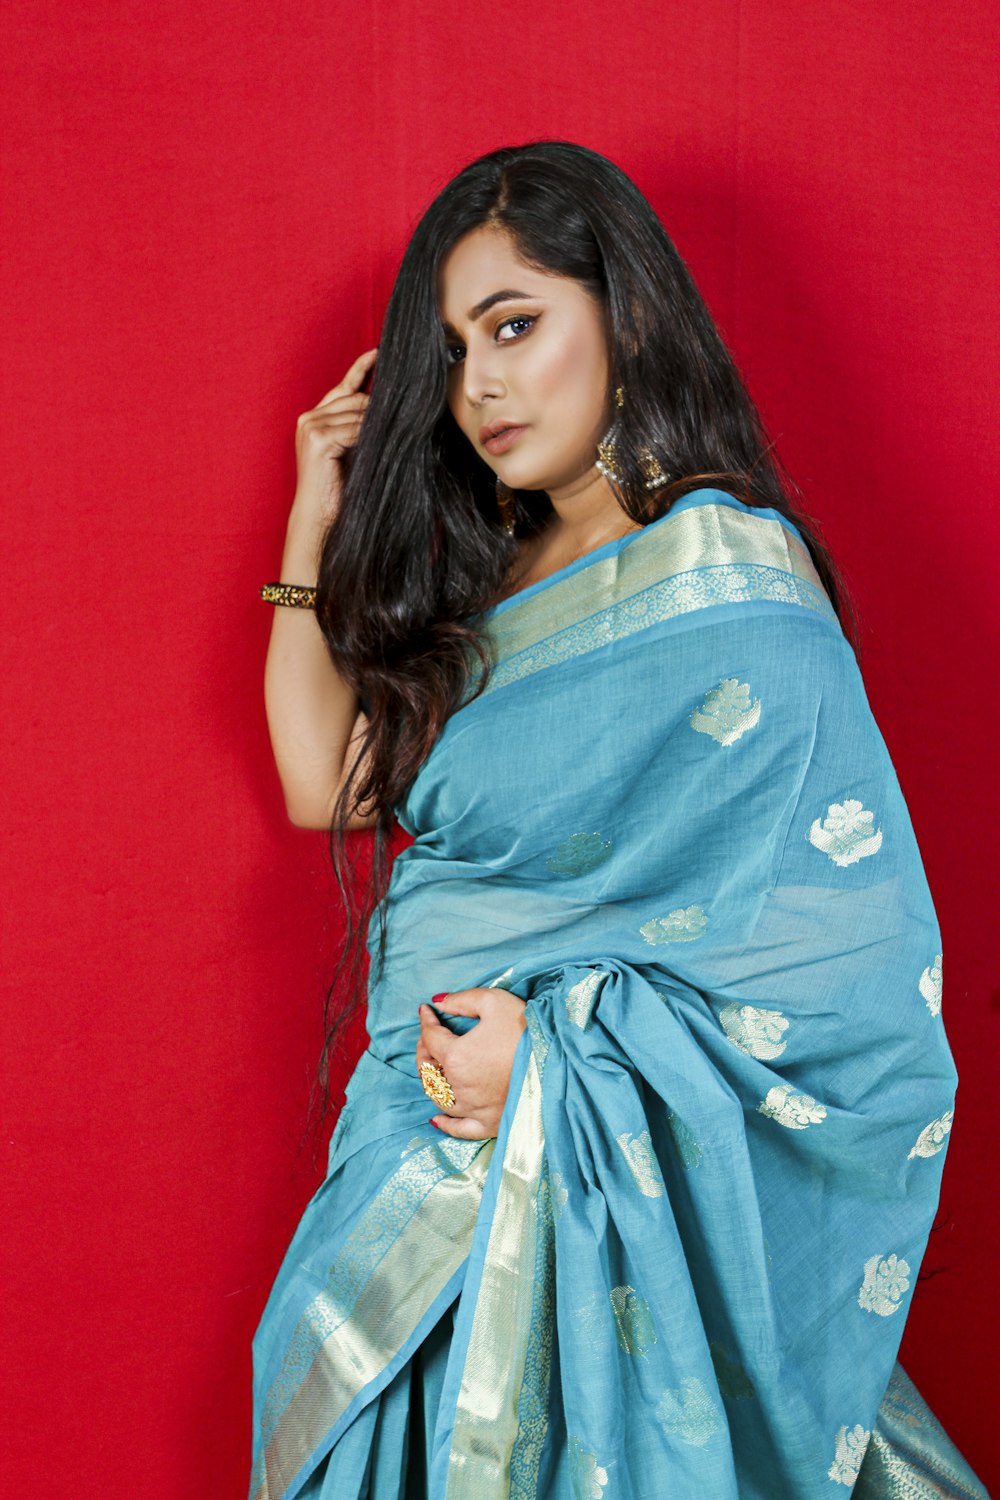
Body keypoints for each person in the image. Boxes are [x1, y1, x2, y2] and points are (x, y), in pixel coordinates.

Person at [249, 142, 986, 1499]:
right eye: (456, 347)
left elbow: (847, 967)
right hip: (408, 1167)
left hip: (564, 1161)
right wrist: (311, 518)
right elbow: (328, 786)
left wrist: (561, 1054)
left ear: (626, 315)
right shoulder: (490, 591)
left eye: (517, 325)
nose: (480, 385)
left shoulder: (727, 577)